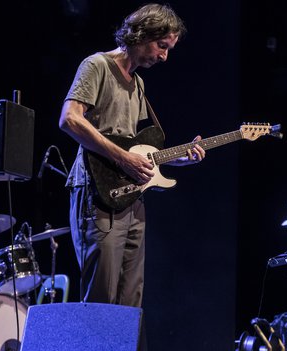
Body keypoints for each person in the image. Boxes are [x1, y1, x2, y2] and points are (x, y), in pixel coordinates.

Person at [59, 3, 205, 307]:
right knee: (102, 296)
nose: (164, 55)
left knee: (130, 300)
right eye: (161, 45)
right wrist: (123, 159)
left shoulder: (138, 83)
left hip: (130, 195)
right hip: (96, 192)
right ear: (141, 34)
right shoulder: (97, 65)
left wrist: (179, 158)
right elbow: (70, 119)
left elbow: (135, 148)